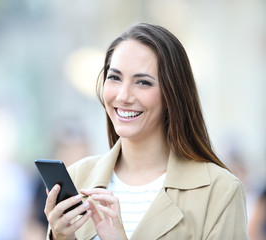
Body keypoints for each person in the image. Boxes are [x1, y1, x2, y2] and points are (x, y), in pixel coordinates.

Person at [44, 23, 248, 239]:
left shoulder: (220, 191)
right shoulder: (77, 177)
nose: (123, 96)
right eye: (115, 77)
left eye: (143, 82)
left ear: (173, 95)